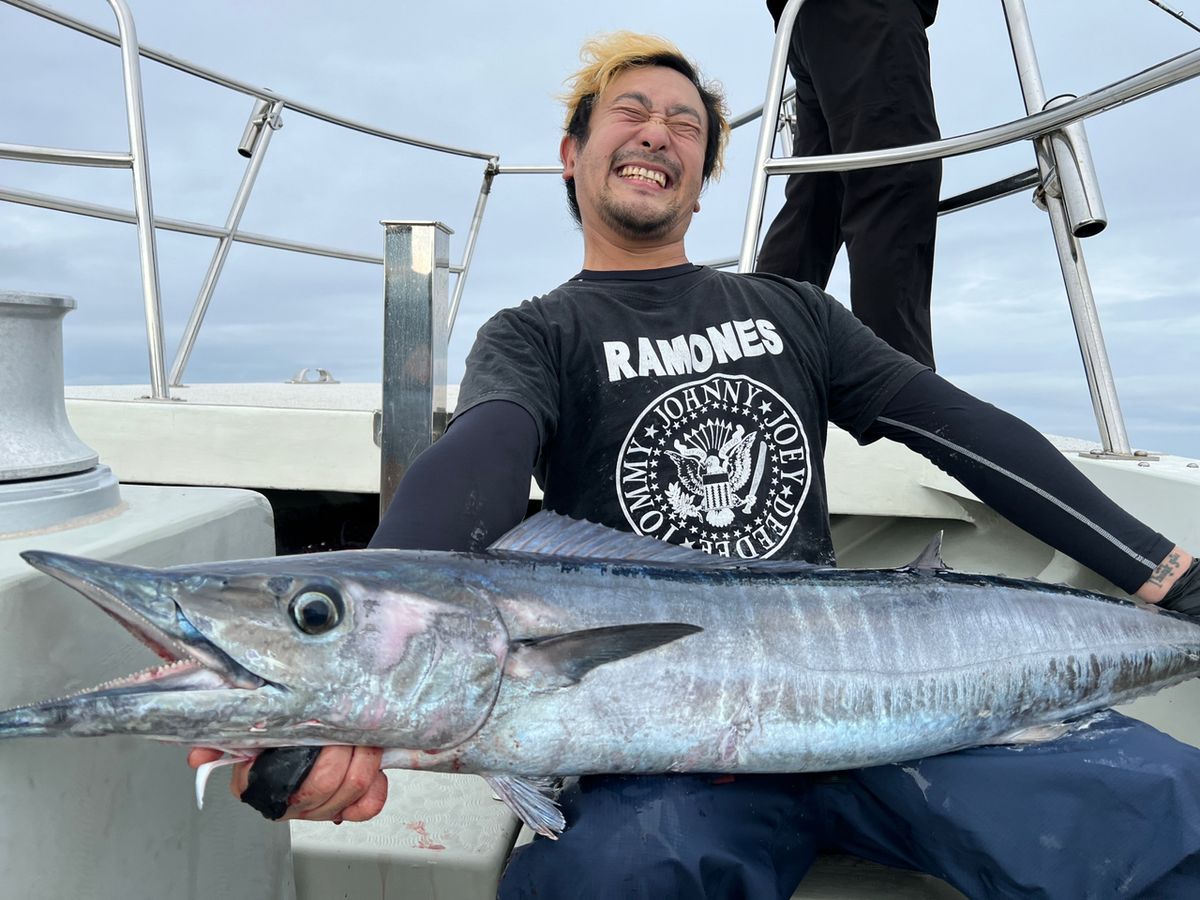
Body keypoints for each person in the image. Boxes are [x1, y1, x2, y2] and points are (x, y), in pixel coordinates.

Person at [190, 31, 1200, 898]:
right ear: (571, 156)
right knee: (611, 880)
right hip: (654, 738)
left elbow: (952, 426)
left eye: (686, 126)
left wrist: (1166, 572)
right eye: (632, 112)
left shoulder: (791, 311)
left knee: (1160, 812)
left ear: (701, 175)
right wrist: (355, 675)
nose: (659, 134)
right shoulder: (537, 332)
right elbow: (487, 451)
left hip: (889, 697)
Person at [756, 0, 942, 369]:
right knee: (893, 181)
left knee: (817, 199)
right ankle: (900, 397)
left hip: (806, 21)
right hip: (869, 11)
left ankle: (755, 357)